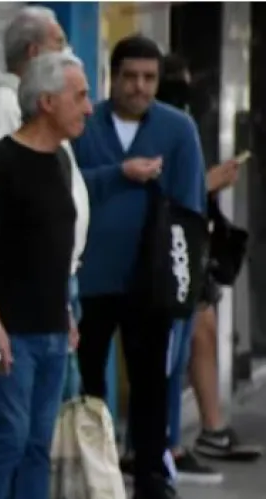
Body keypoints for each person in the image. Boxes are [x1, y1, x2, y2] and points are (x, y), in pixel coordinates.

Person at [71, 35, 206, 499]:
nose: (140, 86)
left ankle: (151, 474)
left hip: (151, 280)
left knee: (151, 382)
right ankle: (95, 474)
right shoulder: (85, 124)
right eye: (130, 76)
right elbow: (67, 185)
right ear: (112, 77)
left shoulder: (178, 129)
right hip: (90, 279)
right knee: (88, 382)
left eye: (149, 77)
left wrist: (187, 282)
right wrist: (120, 173)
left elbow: (191, 210)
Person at [119, 53, 263, 486]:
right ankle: (159, 448)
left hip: (181, 255)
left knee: (185, 344)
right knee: (164, 356)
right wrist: (210, 183)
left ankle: (176, 444)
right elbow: (169, 195)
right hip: (159, 259)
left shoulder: (178, 126)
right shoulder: (139, 130)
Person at [0, 50, 92, 499]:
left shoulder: (61, 159)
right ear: (46, 101)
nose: (88, 107)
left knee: (40, 444)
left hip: (54, 329)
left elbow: (54, 246)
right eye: (79, 96)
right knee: (10, 439)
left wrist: (66, 311)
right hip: (14, 332)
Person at [0, 5, 68, 158]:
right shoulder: (2, 106)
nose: (66, 54)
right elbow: (1, 170)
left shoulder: (32, 104)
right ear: (34, 53)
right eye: (59, 43)